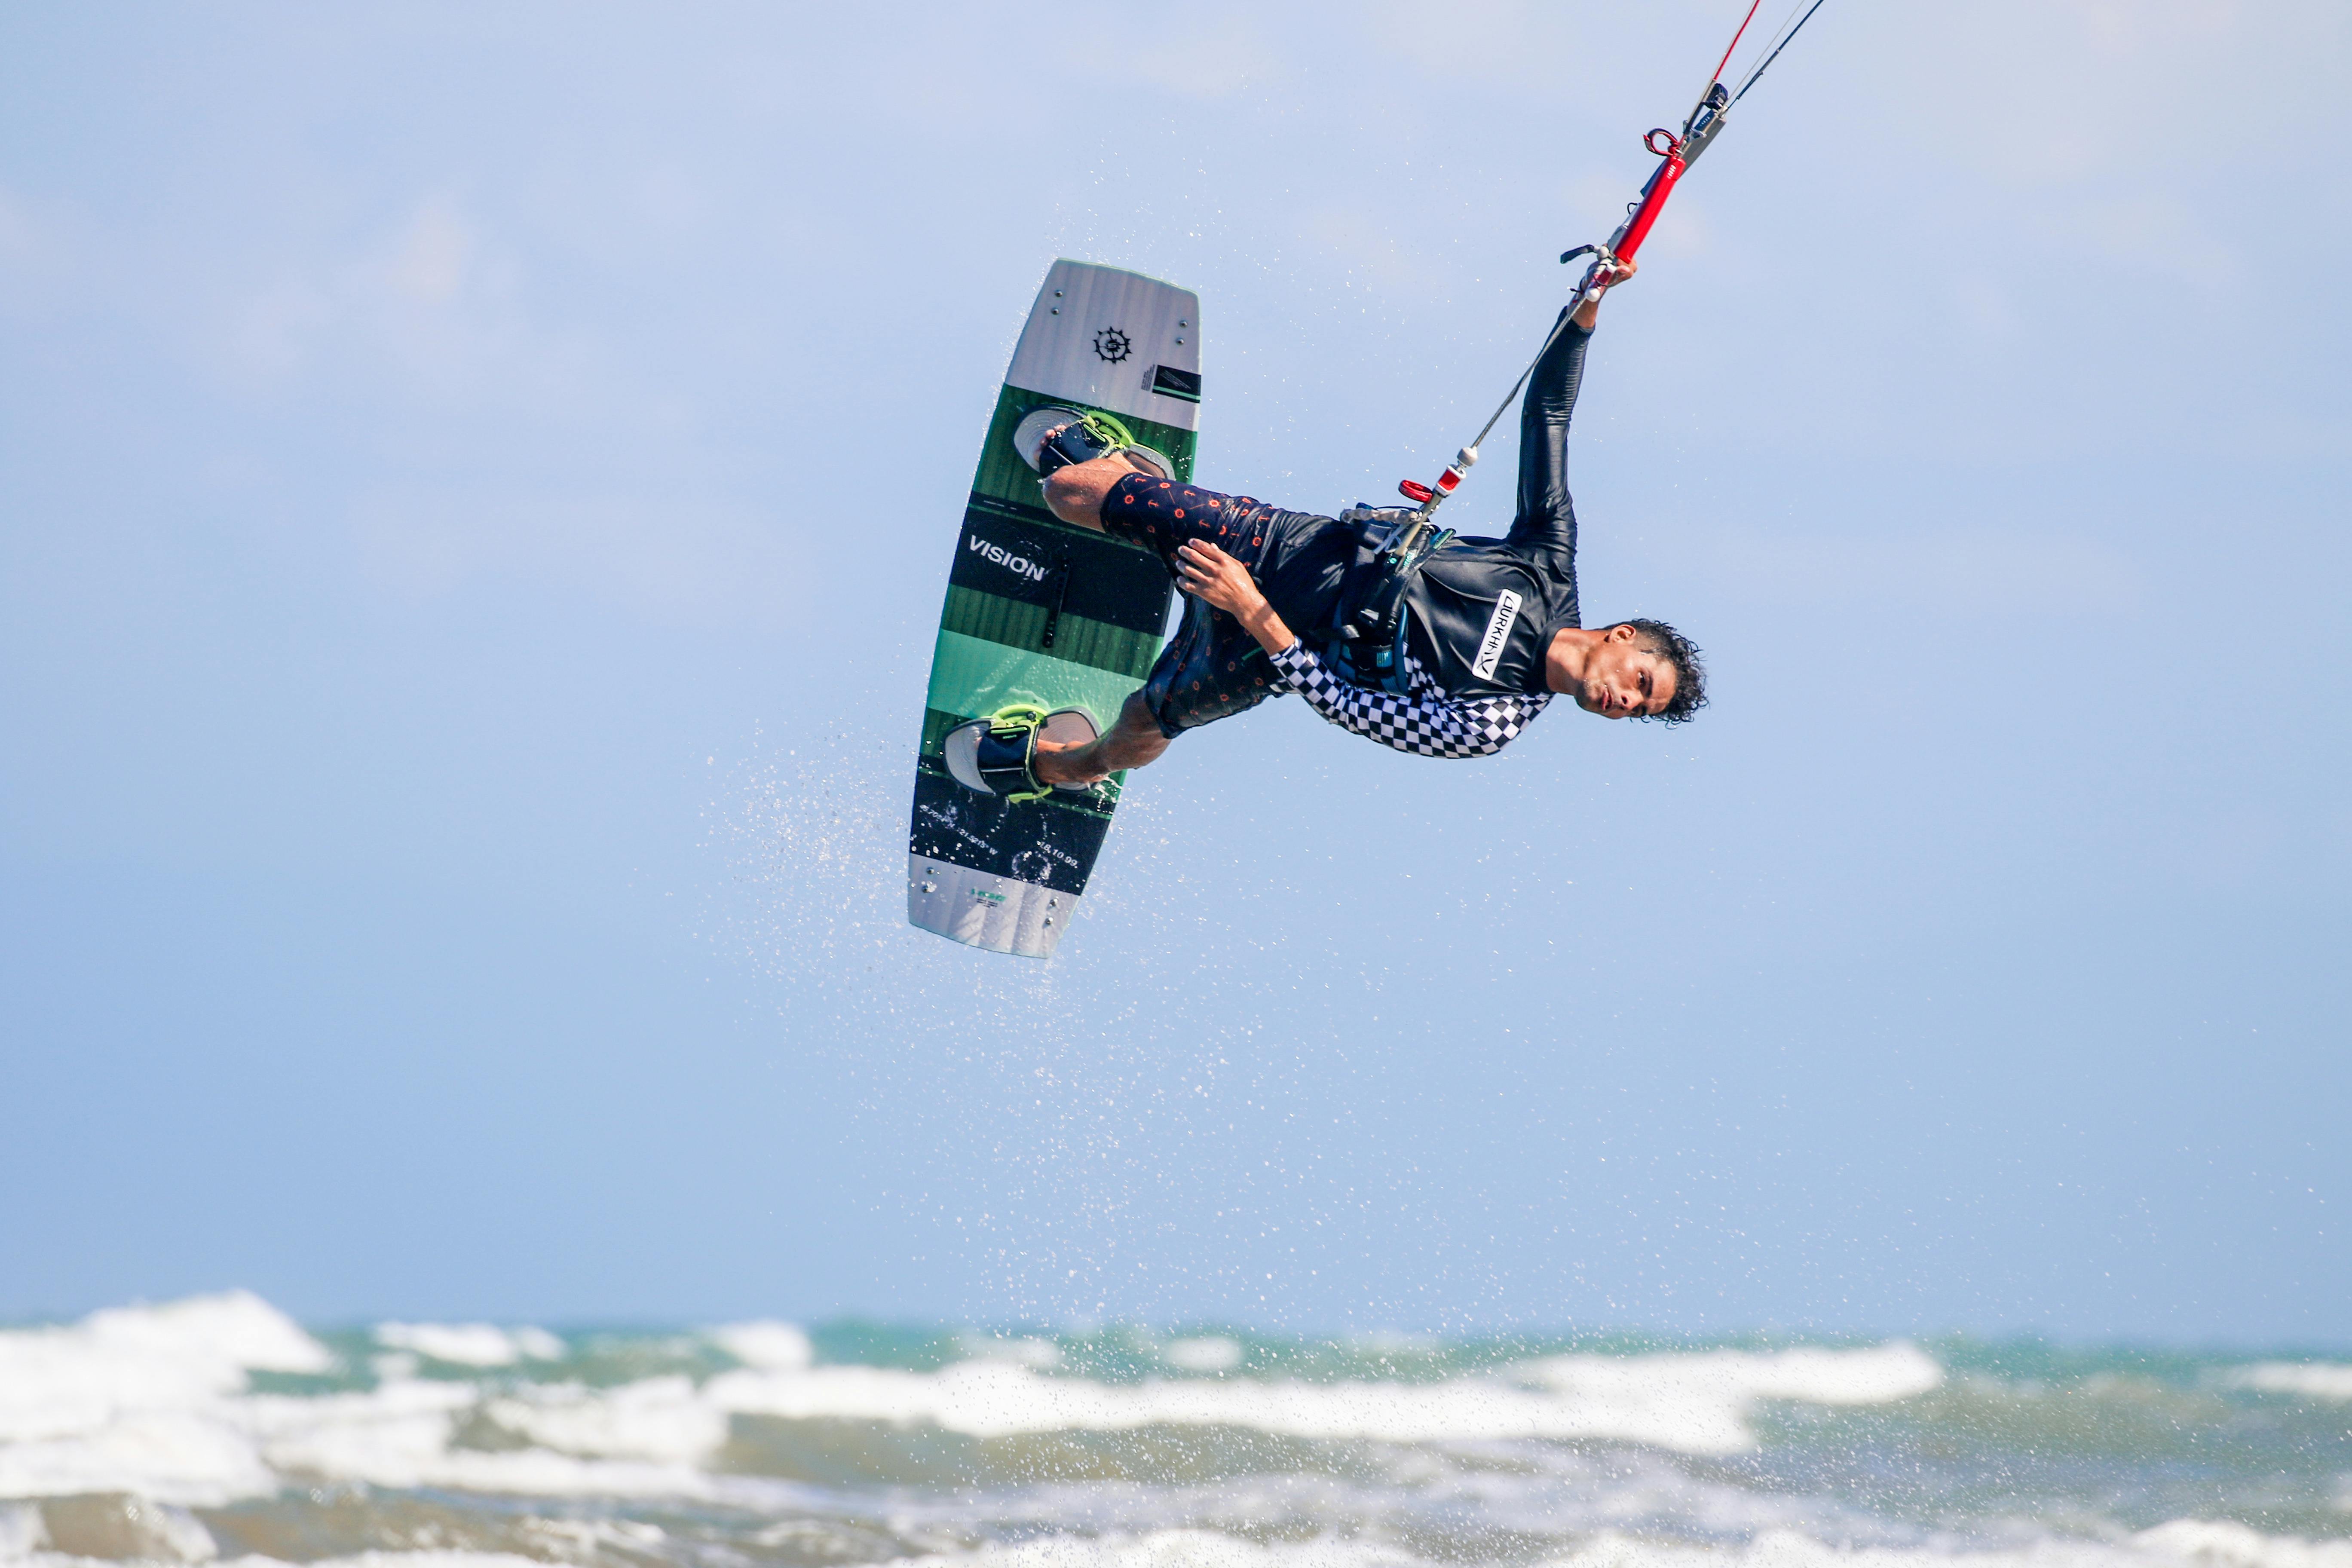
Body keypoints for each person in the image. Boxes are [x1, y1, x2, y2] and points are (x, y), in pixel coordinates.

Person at [952, 259, 1706, 799]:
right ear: (1621, 635)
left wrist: (1250, 610)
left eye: (1641, 709)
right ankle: (1129, 478)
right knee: (1066, 488)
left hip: (1271, 651)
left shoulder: (1494, 722)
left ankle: (1053, 767)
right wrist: (1586, 311)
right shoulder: (1549, 567)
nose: (1627, 702)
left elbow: (1352, 711)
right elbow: (1548, 417)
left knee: (1140, 732)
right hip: (1283, 547)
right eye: (1642, 682)